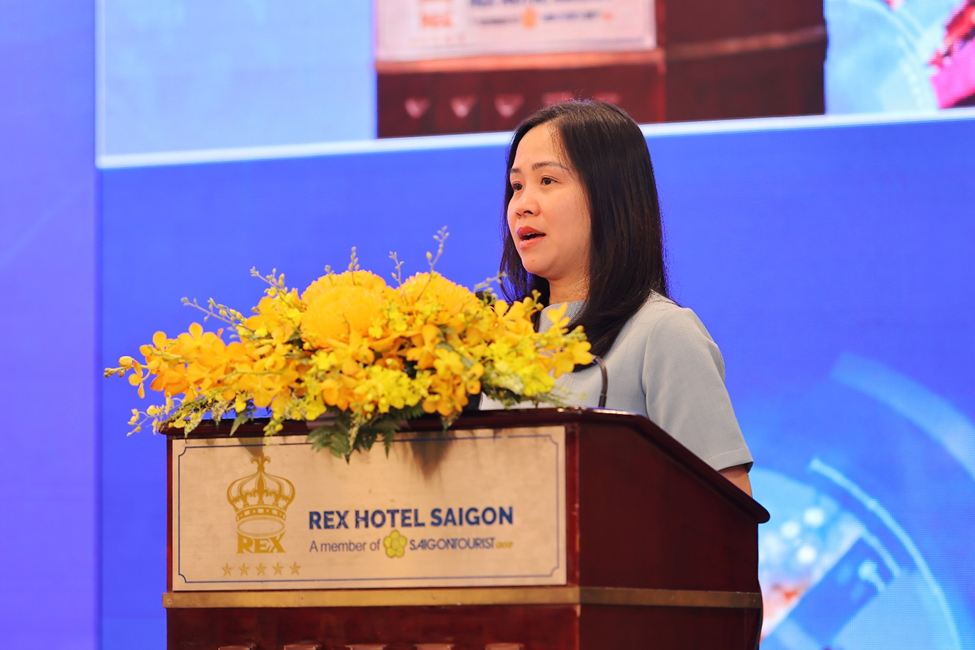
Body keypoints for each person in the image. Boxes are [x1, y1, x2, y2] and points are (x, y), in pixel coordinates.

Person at [483, 101, 754, 495]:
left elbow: (728, 514)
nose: (522, 205)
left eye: (547, 180)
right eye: (517, 186)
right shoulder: (496, 341)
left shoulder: (662, 333)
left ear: (609, 196)